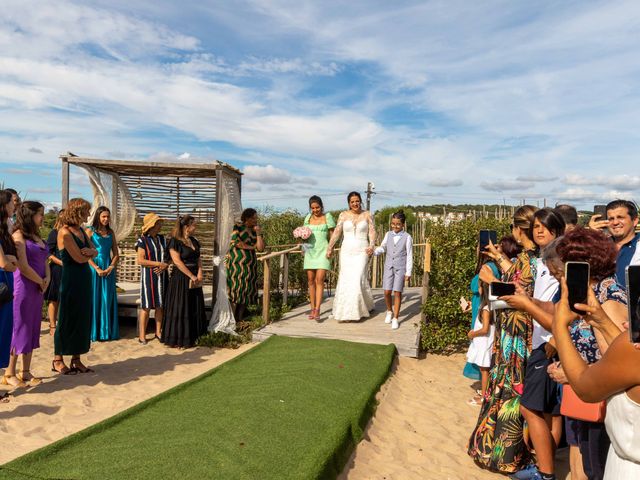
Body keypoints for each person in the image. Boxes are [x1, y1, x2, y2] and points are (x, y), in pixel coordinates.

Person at [549, 228, 627, 480]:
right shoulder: (587, 295)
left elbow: (618, 362)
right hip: (587, 394)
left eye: (566, 264)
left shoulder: (608, 297)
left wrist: (572, 374)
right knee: (584, 456)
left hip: (603, 401)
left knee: (596, 466)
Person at [468, 205, 539, 474]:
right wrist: (499, 259)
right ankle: (496, 451)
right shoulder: (528, 257)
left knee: (511, 390)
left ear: (519, 229)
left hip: (518, 334)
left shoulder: (532, 259)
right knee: (504, 387)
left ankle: (506, 454)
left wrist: (490, 279)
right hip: (511, 332)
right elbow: (518, 281)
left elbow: (520, 294)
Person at [552, 278, 640, 479]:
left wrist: (559, 327)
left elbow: (585, 387)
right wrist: (603, 322)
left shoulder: (633, 350)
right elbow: (627, 362)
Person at [4, 201, 50, 388]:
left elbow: (45, 259)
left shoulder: (36, 235)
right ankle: (9, 372)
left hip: (39, 287)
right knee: (19, 327)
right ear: (30, 215)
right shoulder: (18, 236)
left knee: (32, 327)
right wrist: (40, 281)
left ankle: (26, 371)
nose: (42, 217)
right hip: (23, 287)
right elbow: (22, 266)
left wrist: (47, 278)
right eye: (40, 214)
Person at [464, 235, 521, 380]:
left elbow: (480, 287)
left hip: (484, 307)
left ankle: (483, 391)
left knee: (483, 352)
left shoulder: (488, 267)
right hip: (483, 305)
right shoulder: (499, 267)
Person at [53, 198, 97, 375]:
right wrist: (90, 254)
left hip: (85, 279)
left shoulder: (81, 231)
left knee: (82, 318)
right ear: (78, 211)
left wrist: (92, 252)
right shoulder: (64, 232)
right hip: (71, 279)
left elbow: (94, 249)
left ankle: (76, 359)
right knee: (67, 318)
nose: (88, 214)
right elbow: (78, 258)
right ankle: (57, 359)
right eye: (86, 211)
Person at [326, 191, 375, 322]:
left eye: (357, 201)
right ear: (349, 203)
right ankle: (346, 312)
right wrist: (330, 247)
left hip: (361, 250)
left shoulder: (367, 214)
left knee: (358, 278)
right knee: (347, 280)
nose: (355, 203)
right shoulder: (343, 215)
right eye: (352, 201)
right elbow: (337, 232)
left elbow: (372, 231)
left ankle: (358, 310)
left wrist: (372, 245)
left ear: (360, 201)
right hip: (346, 250)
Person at [162, 215, 207, 348]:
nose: (196, 227)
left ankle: (195, 337)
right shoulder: (174, 241)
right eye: (194, 225)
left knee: (194, 305)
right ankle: (180, 338)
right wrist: (190, 276)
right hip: (180, 279)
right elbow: (177, 262)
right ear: (187, 227)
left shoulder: (194, 241)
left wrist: (199, 272)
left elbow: (198, 258)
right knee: (182, 307)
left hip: (195, 278)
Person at [373, 210, 413, 330]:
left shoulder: (407, 237)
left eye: (398, 224)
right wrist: (374, 251)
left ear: (403, 224)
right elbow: (383, 247)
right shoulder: (388, 234)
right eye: (393, 224)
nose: (395, 226)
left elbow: (409, 255)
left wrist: (408, 272)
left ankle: (395, 318)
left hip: (400, 268)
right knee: (386, 291)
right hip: (388, 266)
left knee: (397, 292)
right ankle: (389, 311)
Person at [589, 199, 640, 288]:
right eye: (611, 219)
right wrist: (592, 236)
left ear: (635, 221)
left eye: (620, 217)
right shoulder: (600, 245)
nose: (615, 222)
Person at [86, 206, 119, 341]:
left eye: (108, 216)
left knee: (107, 298)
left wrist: (111, 266)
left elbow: (116, 254)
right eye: (103, 216)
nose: (106, 219)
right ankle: (94, 331)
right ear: (98, 217)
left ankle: (106, 331)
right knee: (94, 297)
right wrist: (96, 268)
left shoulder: (111, 232)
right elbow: (85, 253)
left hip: (108, 268)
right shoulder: (90, 231)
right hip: (94, 268)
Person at [135, 213, 168, 344]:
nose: (160, 225)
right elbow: (140, 260)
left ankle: (158, 332)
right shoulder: (142, 240)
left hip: (162, 276)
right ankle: (142, 335)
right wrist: (158, 264)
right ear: (152, 225)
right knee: (146, 306)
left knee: (160, 306)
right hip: (148, 278)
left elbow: (167, 257)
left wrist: (164, 265)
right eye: (158, 223)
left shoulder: (162, 239)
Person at [227, 208, 265, 322]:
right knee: (235, 291)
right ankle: (232, 319)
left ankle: (240, 318)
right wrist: (252, 247)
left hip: (250, 266)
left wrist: (258, 234)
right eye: (253, 218)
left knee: (246, 291)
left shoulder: (255, 230)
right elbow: (236, 243)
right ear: (247, 218)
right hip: (237, 265)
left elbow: (261, 248)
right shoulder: (237, 227)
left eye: (256, 218)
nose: (255, 220)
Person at [303, 196, 335, 321]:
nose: (315, 210)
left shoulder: (328, 217)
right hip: (310, 251)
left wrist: (331, 248)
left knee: (320, 279)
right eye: (313, 208)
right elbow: (304, 235)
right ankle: (312, 308)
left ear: (321, 206)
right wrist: (301, 241)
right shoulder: (307, 218)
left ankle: (317, 309)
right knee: (310, 280)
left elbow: (333, 233)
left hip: (323, 251)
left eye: (317, 207)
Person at [0, 190, 19, 394]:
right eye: (11, 203)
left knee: (4, 333)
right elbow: (5, 263)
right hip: (2, 283)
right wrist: (11, 262)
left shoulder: (6, 227)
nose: (14, 206)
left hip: (6, 283)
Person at [466, 281, 493, 406]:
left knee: (484, 370)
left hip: (484, 342)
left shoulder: (486, 308)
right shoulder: (487, 305)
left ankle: (484, 398)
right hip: (483, 342)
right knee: (484, 369)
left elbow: (485, 329)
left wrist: (473, 334)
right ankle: (485, 394)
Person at [44, 209, 64, 336]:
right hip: (57, 269)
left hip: (69, 270)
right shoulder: (54, 233)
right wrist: (62, 263)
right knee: (54, 298)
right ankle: (52, 324)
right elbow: (49, 253)